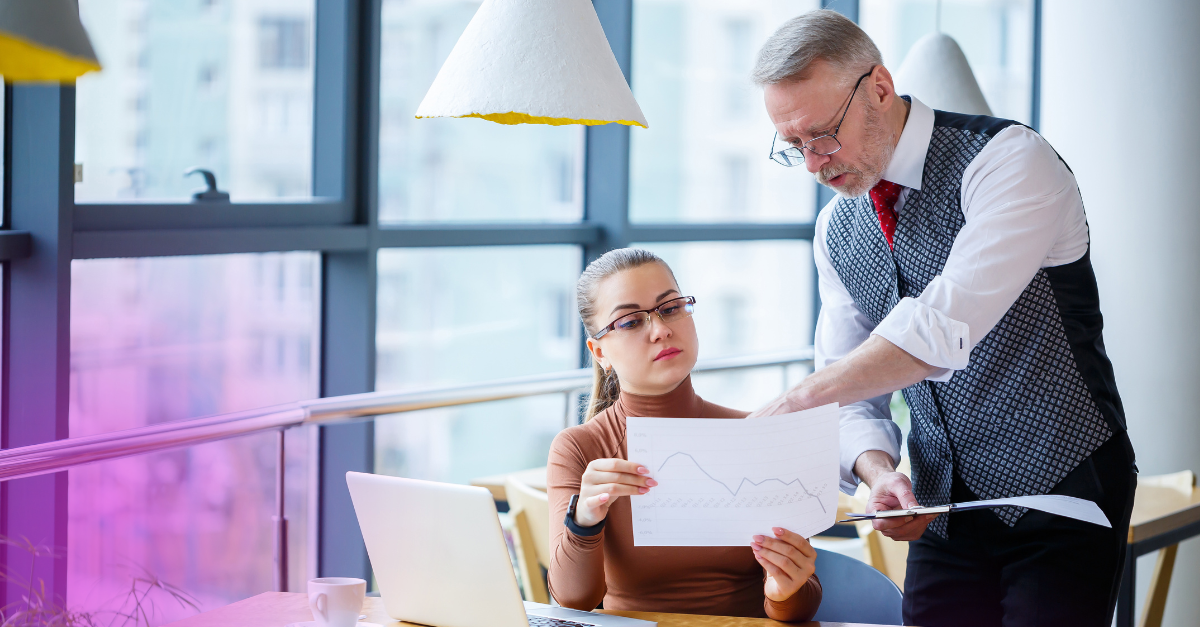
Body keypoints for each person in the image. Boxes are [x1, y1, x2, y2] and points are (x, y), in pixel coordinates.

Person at [747, 10, 1136, 627]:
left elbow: (939, 328)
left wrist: (795, 402)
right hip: (942, 510)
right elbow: (854, 395)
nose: (814, 165)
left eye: (822, 135)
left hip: (1063, 487)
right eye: (793, 146)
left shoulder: (1009, 160)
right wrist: (879, 474)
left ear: (878, 86)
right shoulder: (836, 230)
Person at [546, 248, 821, 622]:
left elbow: (803, 604)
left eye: (671, 307)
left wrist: (782, 591)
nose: (661, 330)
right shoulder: (580, 448)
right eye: (629, 322)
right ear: (599, 352)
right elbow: (573, 601)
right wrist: (584, 520)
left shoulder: (756, 435)